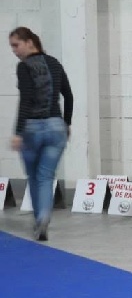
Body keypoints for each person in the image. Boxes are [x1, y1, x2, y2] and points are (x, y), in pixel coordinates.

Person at [9, 27, 73, 241]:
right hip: (56, 127)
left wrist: (18, 132)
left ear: (29, 42)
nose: (14, 51)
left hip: (33, 128)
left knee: (34, 177)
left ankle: (40, 219)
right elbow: (69, 95)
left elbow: (26, 99)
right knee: (46, 177)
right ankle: (44, 217)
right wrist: (67, 124)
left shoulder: (24, 66)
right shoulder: (54, 63)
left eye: (16, 45)